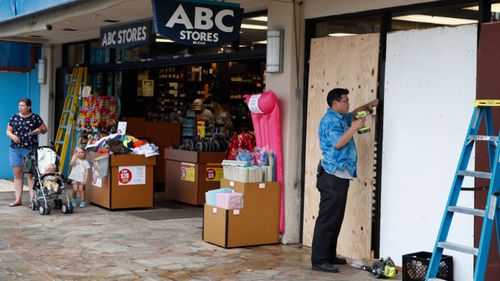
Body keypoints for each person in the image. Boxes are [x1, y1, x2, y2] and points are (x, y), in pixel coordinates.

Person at [311, 88, 376, 273]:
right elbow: (339, 142)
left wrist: (368, 105)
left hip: (340, 176)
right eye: (345, 101)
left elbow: (354, 114)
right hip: (331, 176)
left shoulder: (341, 117)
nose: (348, 103)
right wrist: (355, 127)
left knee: (335, 218)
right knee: (327, 219)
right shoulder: (331, 120)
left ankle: (329, 254)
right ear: (335, 104)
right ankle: (319, 260)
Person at [6, 98, 47, 207]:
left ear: (29, 107)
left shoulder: (35, 118)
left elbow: (44, 129)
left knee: (30, 175)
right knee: (17, 175)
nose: (20, 107)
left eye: (23, 105)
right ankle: (18, 199)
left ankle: (32, 201)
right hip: (15, 148)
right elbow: (8, 131)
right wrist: (12, 136)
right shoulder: (14, 117)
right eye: (19, 105)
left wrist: (39, 130)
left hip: (30, 149)